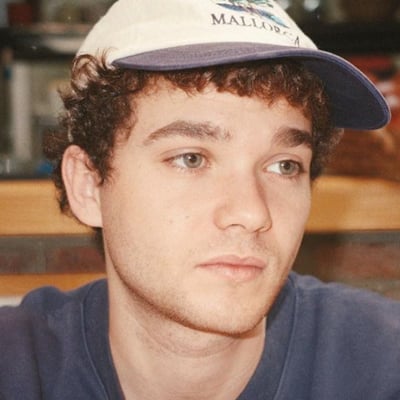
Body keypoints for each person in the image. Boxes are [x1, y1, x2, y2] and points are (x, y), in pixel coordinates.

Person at [1, 0, 399, 399]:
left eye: (284, 166)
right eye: (190, 159)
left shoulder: (382, 364)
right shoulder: (17, 367)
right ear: (88, 185)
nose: (252, 212)